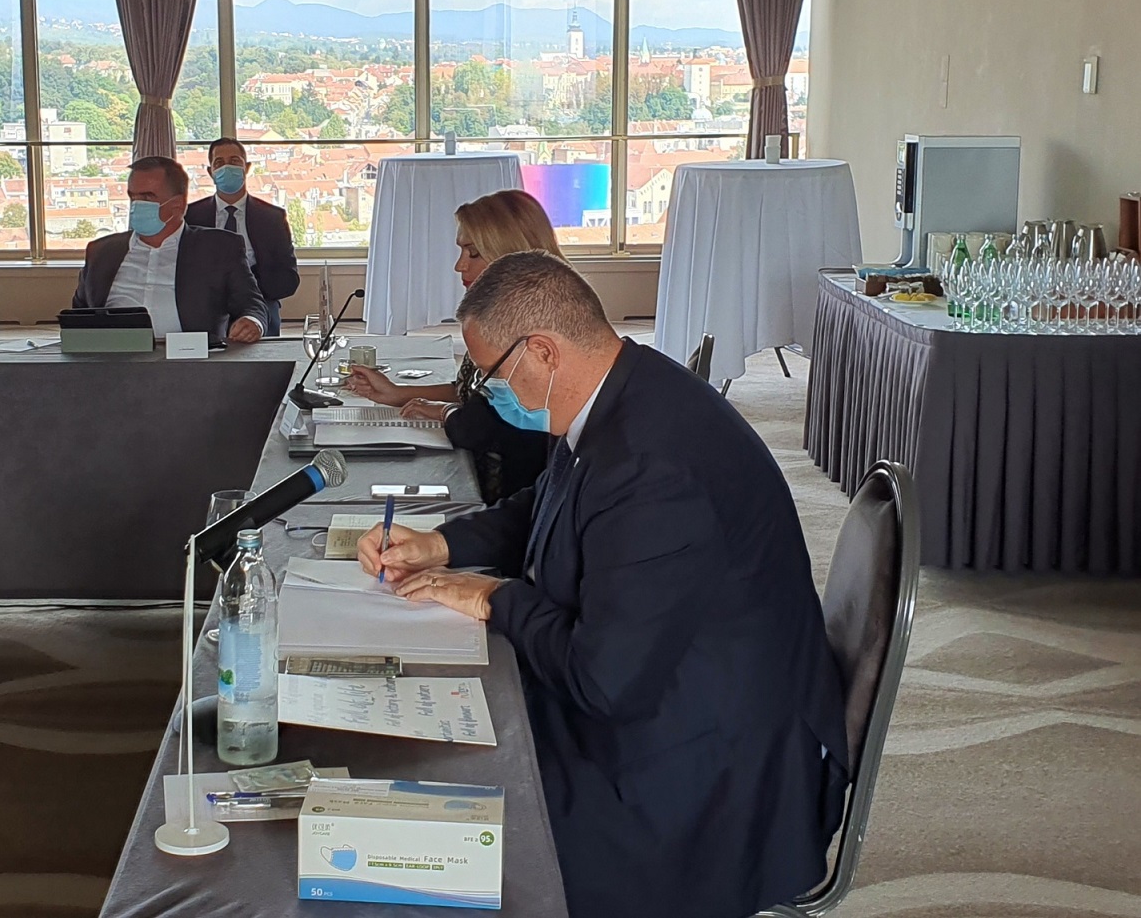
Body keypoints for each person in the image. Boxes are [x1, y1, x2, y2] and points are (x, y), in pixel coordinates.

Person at [358, 251, 848, 918]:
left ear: (542, 352)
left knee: (445, 810)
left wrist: (494, 596)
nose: (485, 393)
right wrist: (442, 543)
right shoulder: (619, 388)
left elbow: (605, 681)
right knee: (443, 727)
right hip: (672, 693)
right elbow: (548, 504)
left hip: (703, 773)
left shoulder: (653, 466)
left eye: (489, 376)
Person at [345, 188, 562, 501]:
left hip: (519, 497)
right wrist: (397, 393)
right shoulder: (500, 310)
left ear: (513, 254)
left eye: (473, 253)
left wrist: (444, 413)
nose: (459, 266)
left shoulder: (535, 324)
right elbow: (473, 392)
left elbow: (484, 425)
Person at [71, 156, 267, 343]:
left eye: (147, 197)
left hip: (190, 359)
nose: (136, 205)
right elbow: (80, 315)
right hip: (113, 359)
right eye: (132, 196)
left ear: (177, 205)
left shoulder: (218, 248)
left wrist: (251, 322)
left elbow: (251, 304)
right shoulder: (101, 252)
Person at [185, 137, 299, 335]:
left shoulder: (272, 218)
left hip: (260, 299)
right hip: (206, 302)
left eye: (234, 161)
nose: (227, 167)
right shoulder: (191, 216)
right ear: (210, 171)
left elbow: (288, 278)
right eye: (219, 163)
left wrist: (249, 290)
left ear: (246, 168)